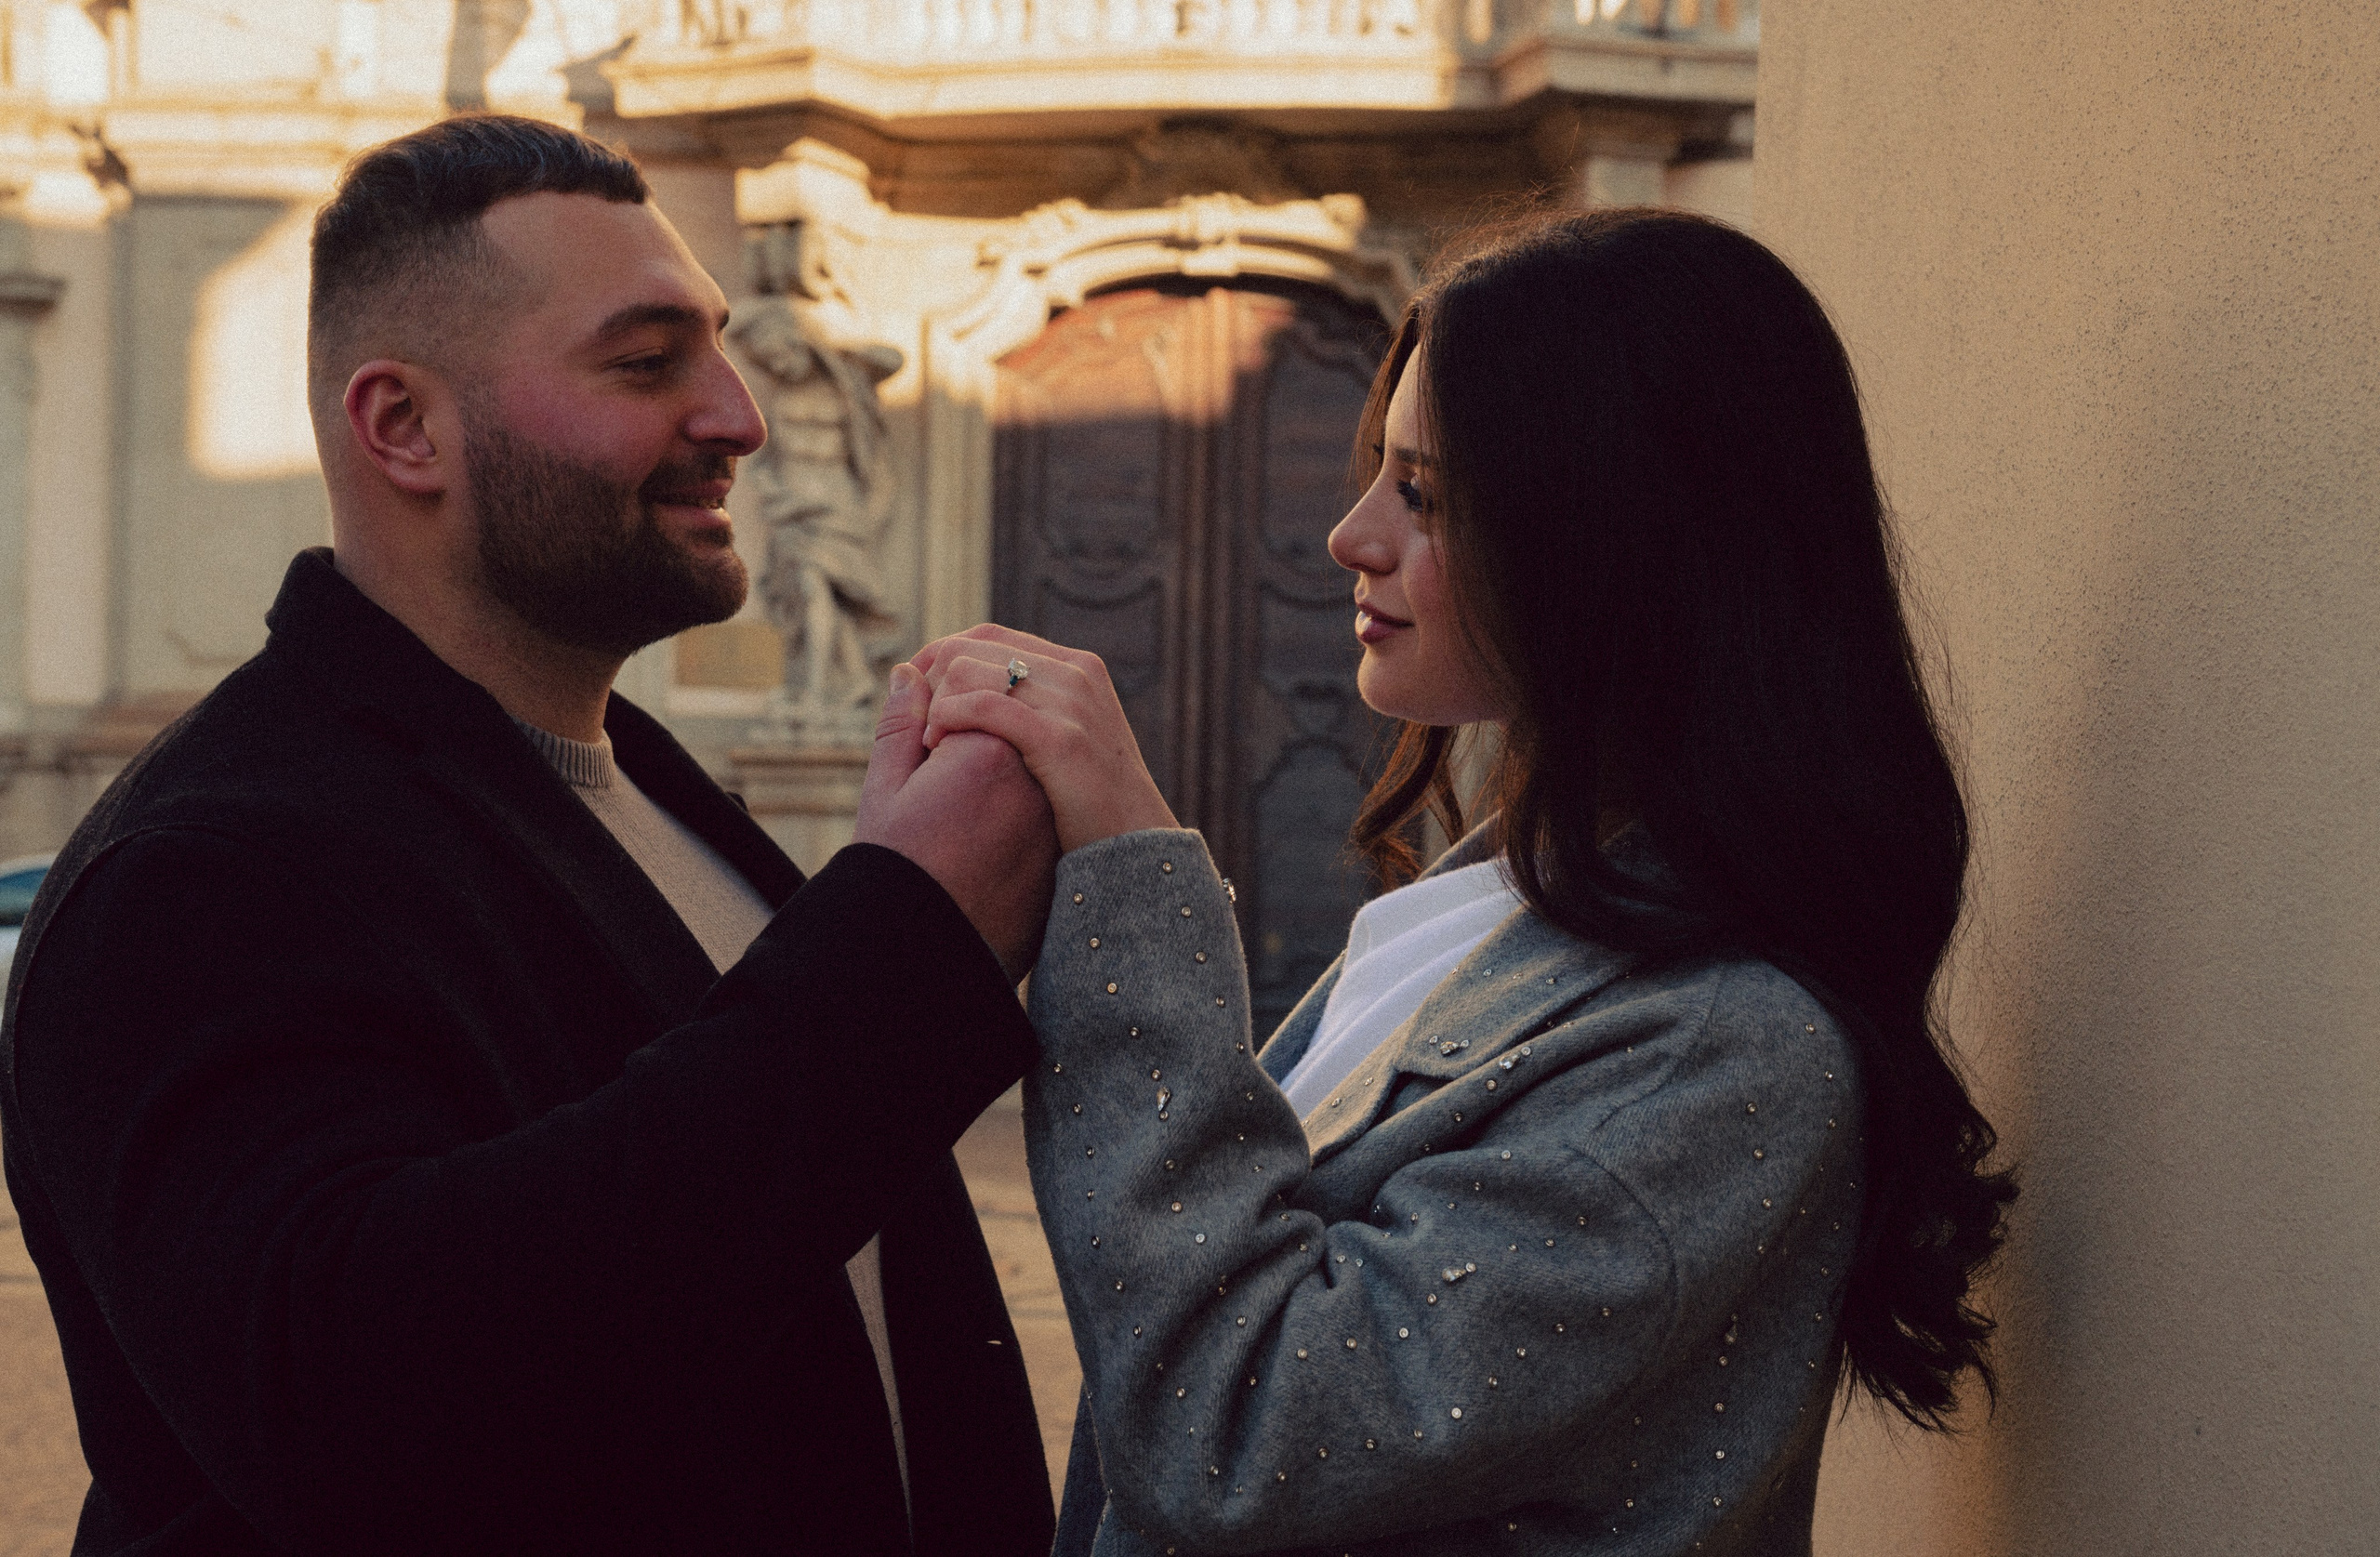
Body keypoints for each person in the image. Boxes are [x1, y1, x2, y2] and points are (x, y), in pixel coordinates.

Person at [0, 115, 1059, 1557]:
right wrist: (907, 945)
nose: (741, 417)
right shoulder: (201, 870)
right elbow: (366, 1410)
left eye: (719, 349)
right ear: (403, 427)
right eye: (648, 362)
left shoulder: (649, 787)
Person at [912, 209, 2016, 1556]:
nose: (1348, 536)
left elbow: (1242, 1428)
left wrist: (1134, 888)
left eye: (1424, 496)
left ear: (1619, 540)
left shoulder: (1723, 1048)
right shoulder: (1500, 906)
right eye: (1379, 473)